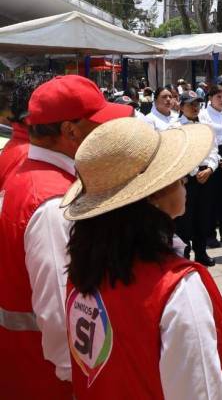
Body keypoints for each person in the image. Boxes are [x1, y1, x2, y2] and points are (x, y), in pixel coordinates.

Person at [62, 117, 222, 399]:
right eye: (177, 176)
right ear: (153, 195)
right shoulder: (177, 288)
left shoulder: (84, 267)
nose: (184, 183)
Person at [0, 75, 132, 399]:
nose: (104, 132)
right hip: (49, 379)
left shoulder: (30, 177)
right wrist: (78, 382)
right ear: (70, 132)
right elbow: (61, 313)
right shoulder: (52, 204)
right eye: (97, 124)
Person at [175, 91, 219, 266]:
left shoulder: (206, 125)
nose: (195, 108)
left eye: (197, 104)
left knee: (203, 217)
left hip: (206, 176)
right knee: (185, 220)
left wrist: (210, 168)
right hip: (186, 178)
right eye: (190, 104)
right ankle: (184, 256)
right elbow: (177, 154)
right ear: (181, 106)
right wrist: (193, 173)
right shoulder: (176, 127)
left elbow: (213, 150)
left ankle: (201, 253)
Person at [199, 84, 222, 245]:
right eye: (218, 97)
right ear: (210, 98)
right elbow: (209, 140)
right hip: (213, 155)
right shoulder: (204, 115)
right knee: (212, 199)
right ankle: (210, 234)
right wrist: (220, 160)